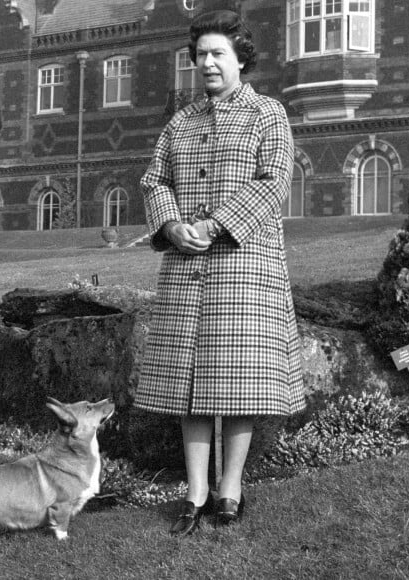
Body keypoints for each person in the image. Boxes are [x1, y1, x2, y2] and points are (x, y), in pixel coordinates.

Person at [134, 9, 306, 535]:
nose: (207, 63)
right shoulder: (180, 121)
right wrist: (169, 223)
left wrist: (213, 226)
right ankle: (195, 491)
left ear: (240, 60)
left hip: (244, 267)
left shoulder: (267, 114)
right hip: (187, 269)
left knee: (238, 383)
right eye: (200, 56)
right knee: (189, 383)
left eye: (218, 55)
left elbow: (273, 180)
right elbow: (152, 179)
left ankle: (230, 487)